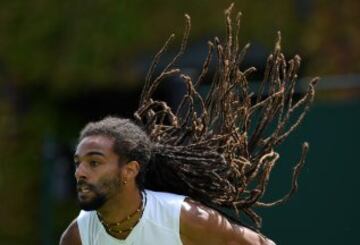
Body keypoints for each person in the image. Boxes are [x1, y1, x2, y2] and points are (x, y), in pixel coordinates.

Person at [60, 117, 275, 245]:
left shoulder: (185, 218)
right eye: (78, 163)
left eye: (94, 162)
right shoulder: (78, 236)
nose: (80, 172)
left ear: (129, 170)